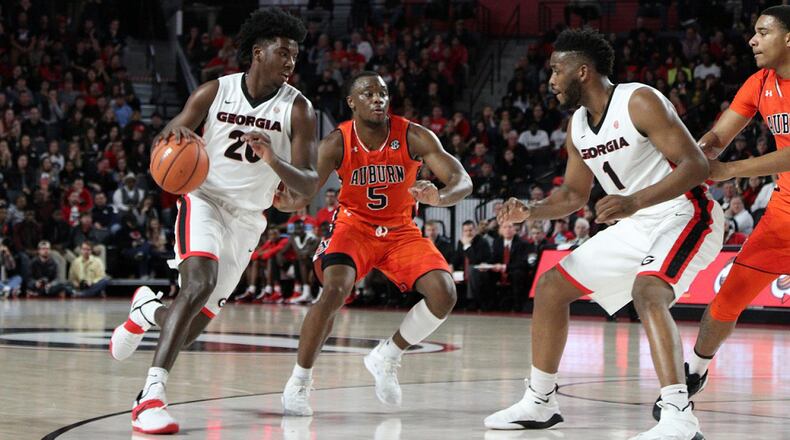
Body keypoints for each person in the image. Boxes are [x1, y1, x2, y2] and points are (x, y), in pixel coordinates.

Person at [484, 29, 723, 440]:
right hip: (636, 224)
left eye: (556, 71)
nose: (551, 80)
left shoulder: (638, 99)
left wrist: (633, 202)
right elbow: (574, 195)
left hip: (685, 214)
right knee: (551, 287)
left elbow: (696, 166)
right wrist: (532, 210)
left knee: (649, 292)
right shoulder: (577, 125)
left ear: (582, 71)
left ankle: (678, 415)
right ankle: (540, 401)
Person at [107, 9, 317, 434]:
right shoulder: (214, 92)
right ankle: (150, 397)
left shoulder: (300, 109)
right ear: (258, 52)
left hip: (248, 220)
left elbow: (309, 183)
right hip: (203, 200)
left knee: (185, 331)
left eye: (295, 55)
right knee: (198, 281)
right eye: (283, 52)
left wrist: (273, 158)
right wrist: (177, 137)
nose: (291, 62)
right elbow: (162, 140)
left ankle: (148, 309)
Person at [279, 71, 472, 416]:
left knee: (445, 293)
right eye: (368, 94)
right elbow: (305, 192)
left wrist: (440, 196)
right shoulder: (336, 142)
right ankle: (299, 381)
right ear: (352, 103)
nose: (378, 99)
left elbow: (462, 180)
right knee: (335, 289)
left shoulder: (413, 135)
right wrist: (286, 202)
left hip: (400, 230)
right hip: (354, 227)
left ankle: (389, 355)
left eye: (382, 93)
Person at [654, 5, 790, 422]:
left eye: (763, 32)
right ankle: (695, 371)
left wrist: (729, 170)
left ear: (788, 38)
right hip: (785, 212)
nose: (752, 40)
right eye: (753, 32)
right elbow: (719, 134)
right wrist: (696, 157)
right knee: (726, 299)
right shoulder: (760, 82)